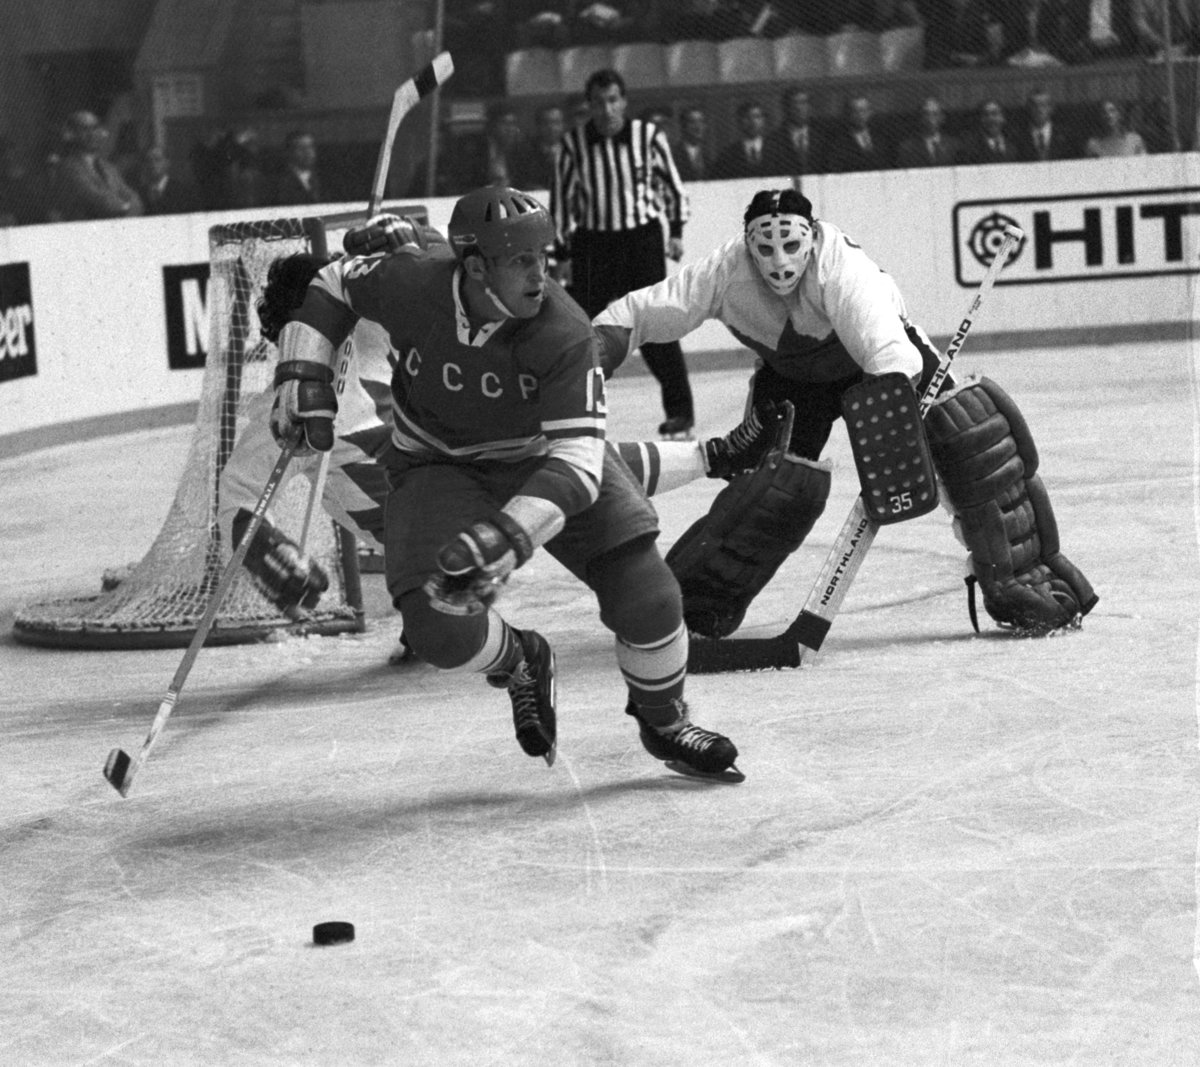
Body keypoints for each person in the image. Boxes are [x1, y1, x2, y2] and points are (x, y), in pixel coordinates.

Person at [268, 186, 742, 780]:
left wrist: (508, 536)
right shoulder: (411, 282)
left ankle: (665, 721)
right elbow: (334, 283)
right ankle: (522, 661)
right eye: (520, 260)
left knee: (650, 597)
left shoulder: (564, 330)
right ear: (472, 267)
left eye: (542, 257)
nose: (539, 275)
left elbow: (578, 461)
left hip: (542, 457)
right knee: (438, 631)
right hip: (434, 464)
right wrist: (301, 368)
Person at [591, 187, 1097, 640]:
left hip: (880, 367)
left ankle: (1021, 571)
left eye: (791, 246)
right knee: (768, 489)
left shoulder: (841, 269)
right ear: (747, 245)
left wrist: (892, 435)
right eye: (764, 248)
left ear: (812, 237)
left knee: (970, 438)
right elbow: (640, 313)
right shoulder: (724, 271)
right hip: (793, 378)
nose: (779, 261)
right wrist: (588, 359)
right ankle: (698, 603)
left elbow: (890, 357)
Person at [550, 68, 696, 440]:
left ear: (624, 101)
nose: (607, 109)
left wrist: (676, 231)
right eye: (598, 102)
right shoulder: (572, 145)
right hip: (593, 245)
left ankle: (680, 415)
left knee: (656, 326)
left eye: (613, 100)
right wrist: (563, 253)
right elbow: (562, 203)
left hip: (641, 243)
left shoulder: (649, 137)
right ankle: (570, 416)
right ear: (589, 106)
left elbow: (672, 187)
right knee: (579, 329)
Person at [49, 110, 144, 221]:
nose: (92, 134)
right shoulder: (68, 168)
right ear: (73, 134)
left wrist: (130, 207)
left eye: (94, 128)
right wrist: (127, 208)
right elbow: (101, 202)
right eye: (84, 129)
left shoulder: (109, 168)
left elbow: (135, 199)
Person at [763, 87, 824, 179]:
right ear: (785, 108)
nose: (799, 108)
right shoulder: (774, 140)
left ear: (809, 106)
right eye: (794, 103)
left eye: (803, 103)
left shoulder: (823, 135)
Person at [824, 95, 892, 173]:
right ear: (848, 114)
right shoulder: (837, 141)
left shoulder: (881, 136)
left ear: (870, 112)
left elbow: (888, 162)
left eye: (863, 111)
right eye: (855, 111)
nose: (860, 115)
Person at [713, 99, 779, 180]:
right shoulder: (728, 155)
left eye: (757, 117)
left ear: (763, 120)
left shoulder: (777, 151)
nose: (752, 122)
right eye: (747, 117)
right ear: (739, 121)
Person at [132, 144, 201, 215]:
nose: (152, 164)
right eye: (148, 160)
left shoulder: (181, 191)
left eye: (157, 159)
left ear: (167, 163)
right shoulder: (139, 194)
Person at [1014, 88, 1080, 161]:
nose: (1039, 109)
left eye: (1043, 105)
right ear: (1028, 108)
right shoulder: (1018, 135)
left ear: (1051, 108)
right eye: (1035, 105)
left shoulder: (1067, 134)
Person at [894, 95, 960, 167]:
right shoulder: (907, 149)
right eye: (927, 114)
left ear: (942, 118)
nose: (930, 119)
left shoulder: (954, 146)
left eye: (935, 114)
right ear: (920, 117)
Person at [271, 130, 323, 206]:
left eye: (310, 147)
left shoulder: (325, 177)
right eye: (301, 148)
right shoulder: (278, 182)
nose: (308, 152)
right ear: (289, 152)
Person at [962, 99, 1021, 164]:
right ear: (980, 120)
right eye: (985, 115)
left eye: (995, 114)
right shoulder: (970, 147)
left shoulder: (1015, 143)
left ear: (1003, 118)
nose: (990, 119)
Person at [672, 105, 715, 182]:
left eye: (701, 121)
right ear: (683, 126)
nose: (698, 126)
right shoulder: (673, 155)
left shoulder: (709, 155)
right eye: (692, 122)